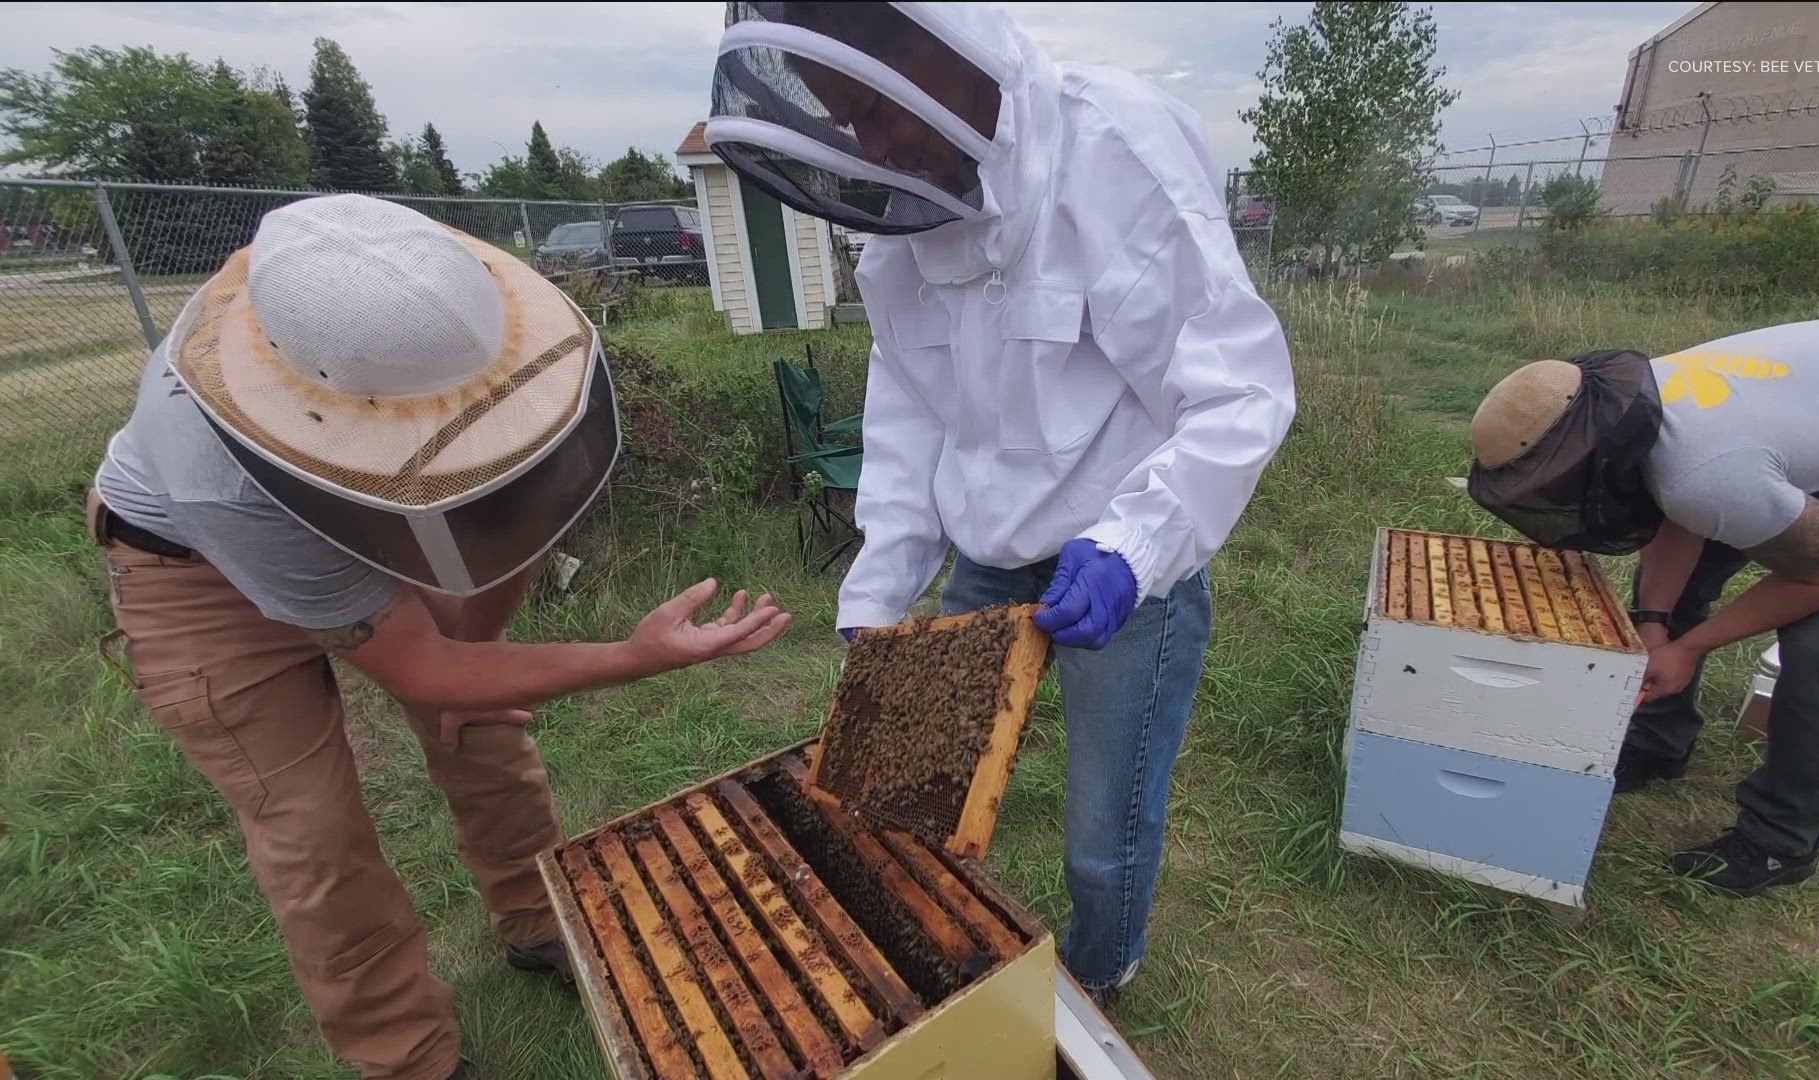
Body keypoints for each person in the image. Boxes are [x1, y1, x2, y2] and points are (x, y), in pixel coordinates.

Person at [90, 194, 791, 1080]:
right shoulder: (212, 471)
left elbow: (501, 523)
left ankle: (544, 927)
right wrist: (630, 656)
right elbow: (418, 663)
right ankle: (408, 1059)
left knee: (486, 729)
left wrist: (482, 670)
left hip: (361, 510)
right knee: (313, 830)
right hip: (196, 574)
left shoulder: (431, 308)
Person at [704, 1, 1294, 997]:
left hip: (1119, 564)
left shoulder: (1113, 153)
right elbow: (909, 421)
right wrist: (876, 597)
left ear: (945, 54)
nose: (874, 144)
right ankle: (921, 961)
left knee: (1106, 824)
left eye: (882, 110)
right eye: (851, 121)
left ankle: (1102, 974)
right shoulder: (898, 219)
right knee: (908, 785)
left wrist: (1135, 549)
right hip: (986, 552)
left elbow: (1239, 390)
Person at [1467, 317, 1819, 896]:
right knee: (1667, 594)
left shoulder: (1708, 470)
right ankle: (1658, 745)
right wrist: (1655, 627)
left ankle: (1781, 842)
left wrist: (1690, 647)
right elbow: (1680, 510)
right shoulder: (1645, 416)